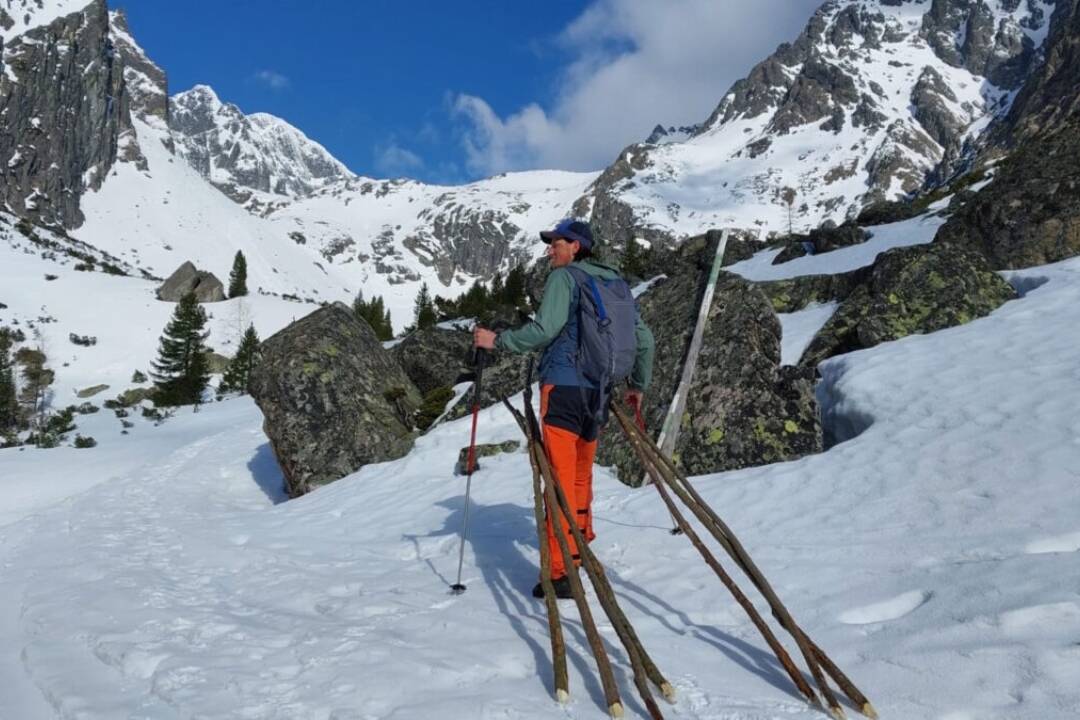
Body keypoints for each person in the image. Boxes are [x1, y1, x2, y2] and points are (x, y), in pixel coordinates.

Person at [474, 219, 655, 599]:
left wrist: (498, 341)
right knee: (580, 475)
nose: (549, 250)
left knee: (558, 478)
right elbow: (644, 339)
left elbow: (544, 329)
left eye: (555, 243)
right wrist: (637, 386)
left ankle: (560, 572)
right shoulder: (615, 283)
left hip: (564, 387)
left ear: (576, 246)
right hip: (599, 392)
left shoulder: (565, 278)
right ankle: (580, 542)